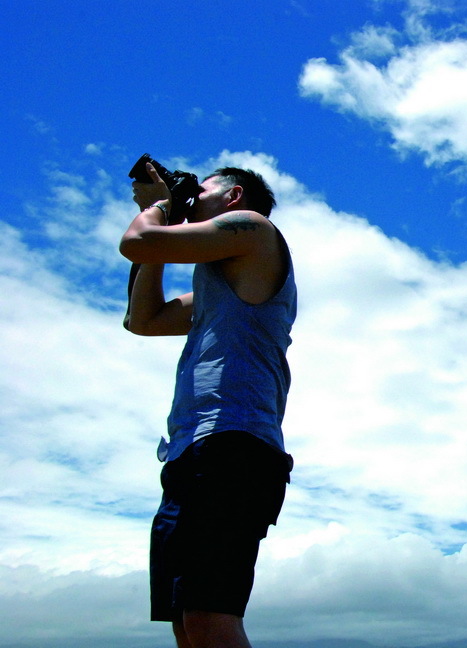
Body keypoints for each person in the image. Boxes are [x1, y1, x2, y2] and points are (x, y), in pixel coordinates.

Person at [121, 162, 297, 648]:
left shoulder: (256, 232)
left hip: (232, 444)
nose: (189, 198)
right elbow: (144, 319)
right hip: (194, 452)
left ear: (234, 196)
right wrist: (170, 217)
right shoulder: (217, 284)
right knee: (188, 621)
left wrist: (158, 208)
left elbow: (136, 243)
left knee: (209, 615)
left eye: (198, 191)